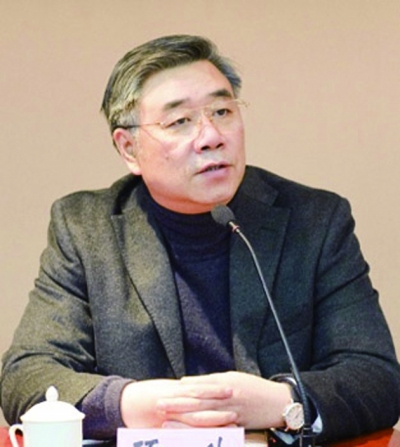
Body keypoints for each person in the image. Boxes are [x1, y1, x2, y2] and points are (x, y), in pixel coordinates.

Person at [1, 34, 399, 445]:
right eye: (179, 121)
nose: (211, 136)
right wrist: (143, 405)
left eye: (222, 111)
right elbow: (27, 375)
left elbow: (376, 377)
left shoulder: (314, 221)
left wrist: (281, 402)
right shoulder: (86, 229)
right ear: (129, 149)